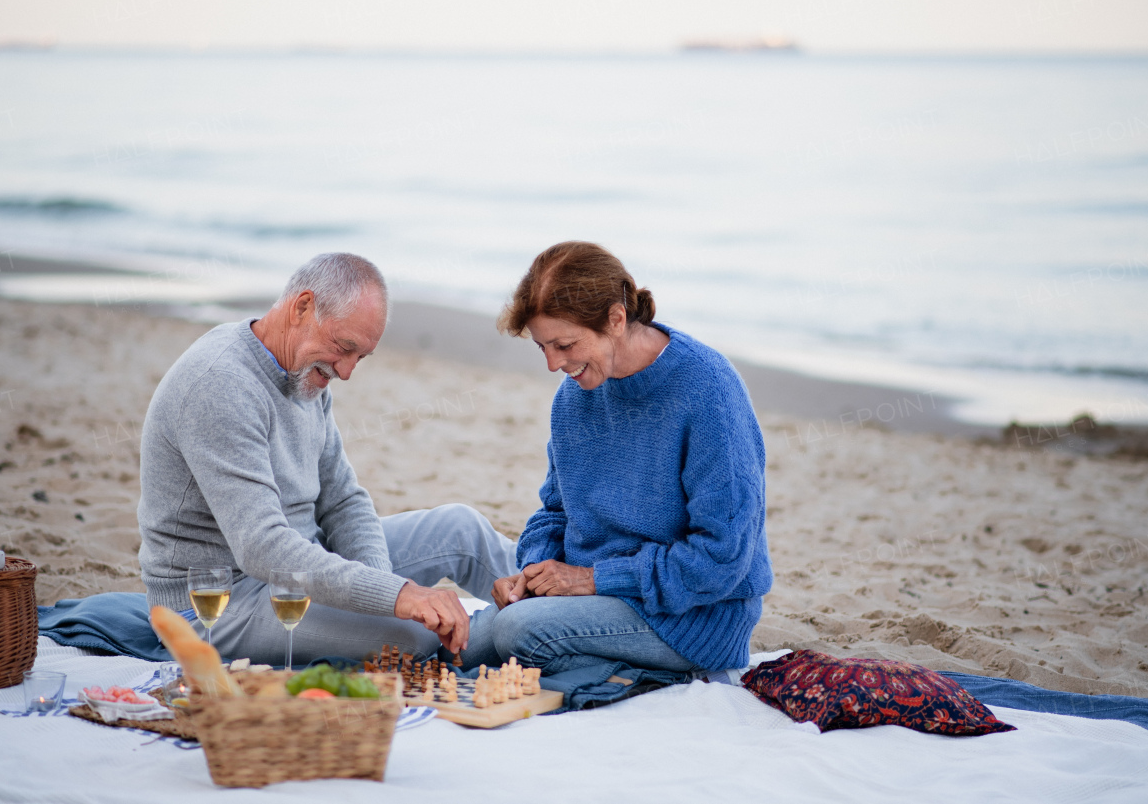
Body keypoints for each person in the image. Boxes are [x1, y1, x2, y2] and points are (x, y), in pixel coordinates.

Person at [137, 252, 517, 666]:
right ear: (302, 307)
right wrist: (399, 599)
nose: (348, 371)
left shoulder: (305, 370)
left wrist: (382, 589)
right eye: (345, 348)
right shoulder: (221, 385)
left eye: (361, 357)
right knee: (412, 637)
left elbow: (343, 501)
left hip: (303, 563)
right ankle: (528, 637)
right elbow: (262, 548)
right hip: (220, 600)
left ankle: (555, 605)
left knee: (461, 529)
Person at [462, 241, 772, 676]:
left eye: (565, 344)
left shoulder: (709, 392)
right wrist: (534, 570)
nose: (554, 364)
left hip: (691, 619)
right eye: (543, 347)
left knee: (515, 631)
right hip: (592, 598)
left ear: (616, 318)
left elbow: (722, 559)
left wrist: (590, 580)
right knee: (464, 646)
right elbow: (555, 511)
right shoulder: (573, 398)